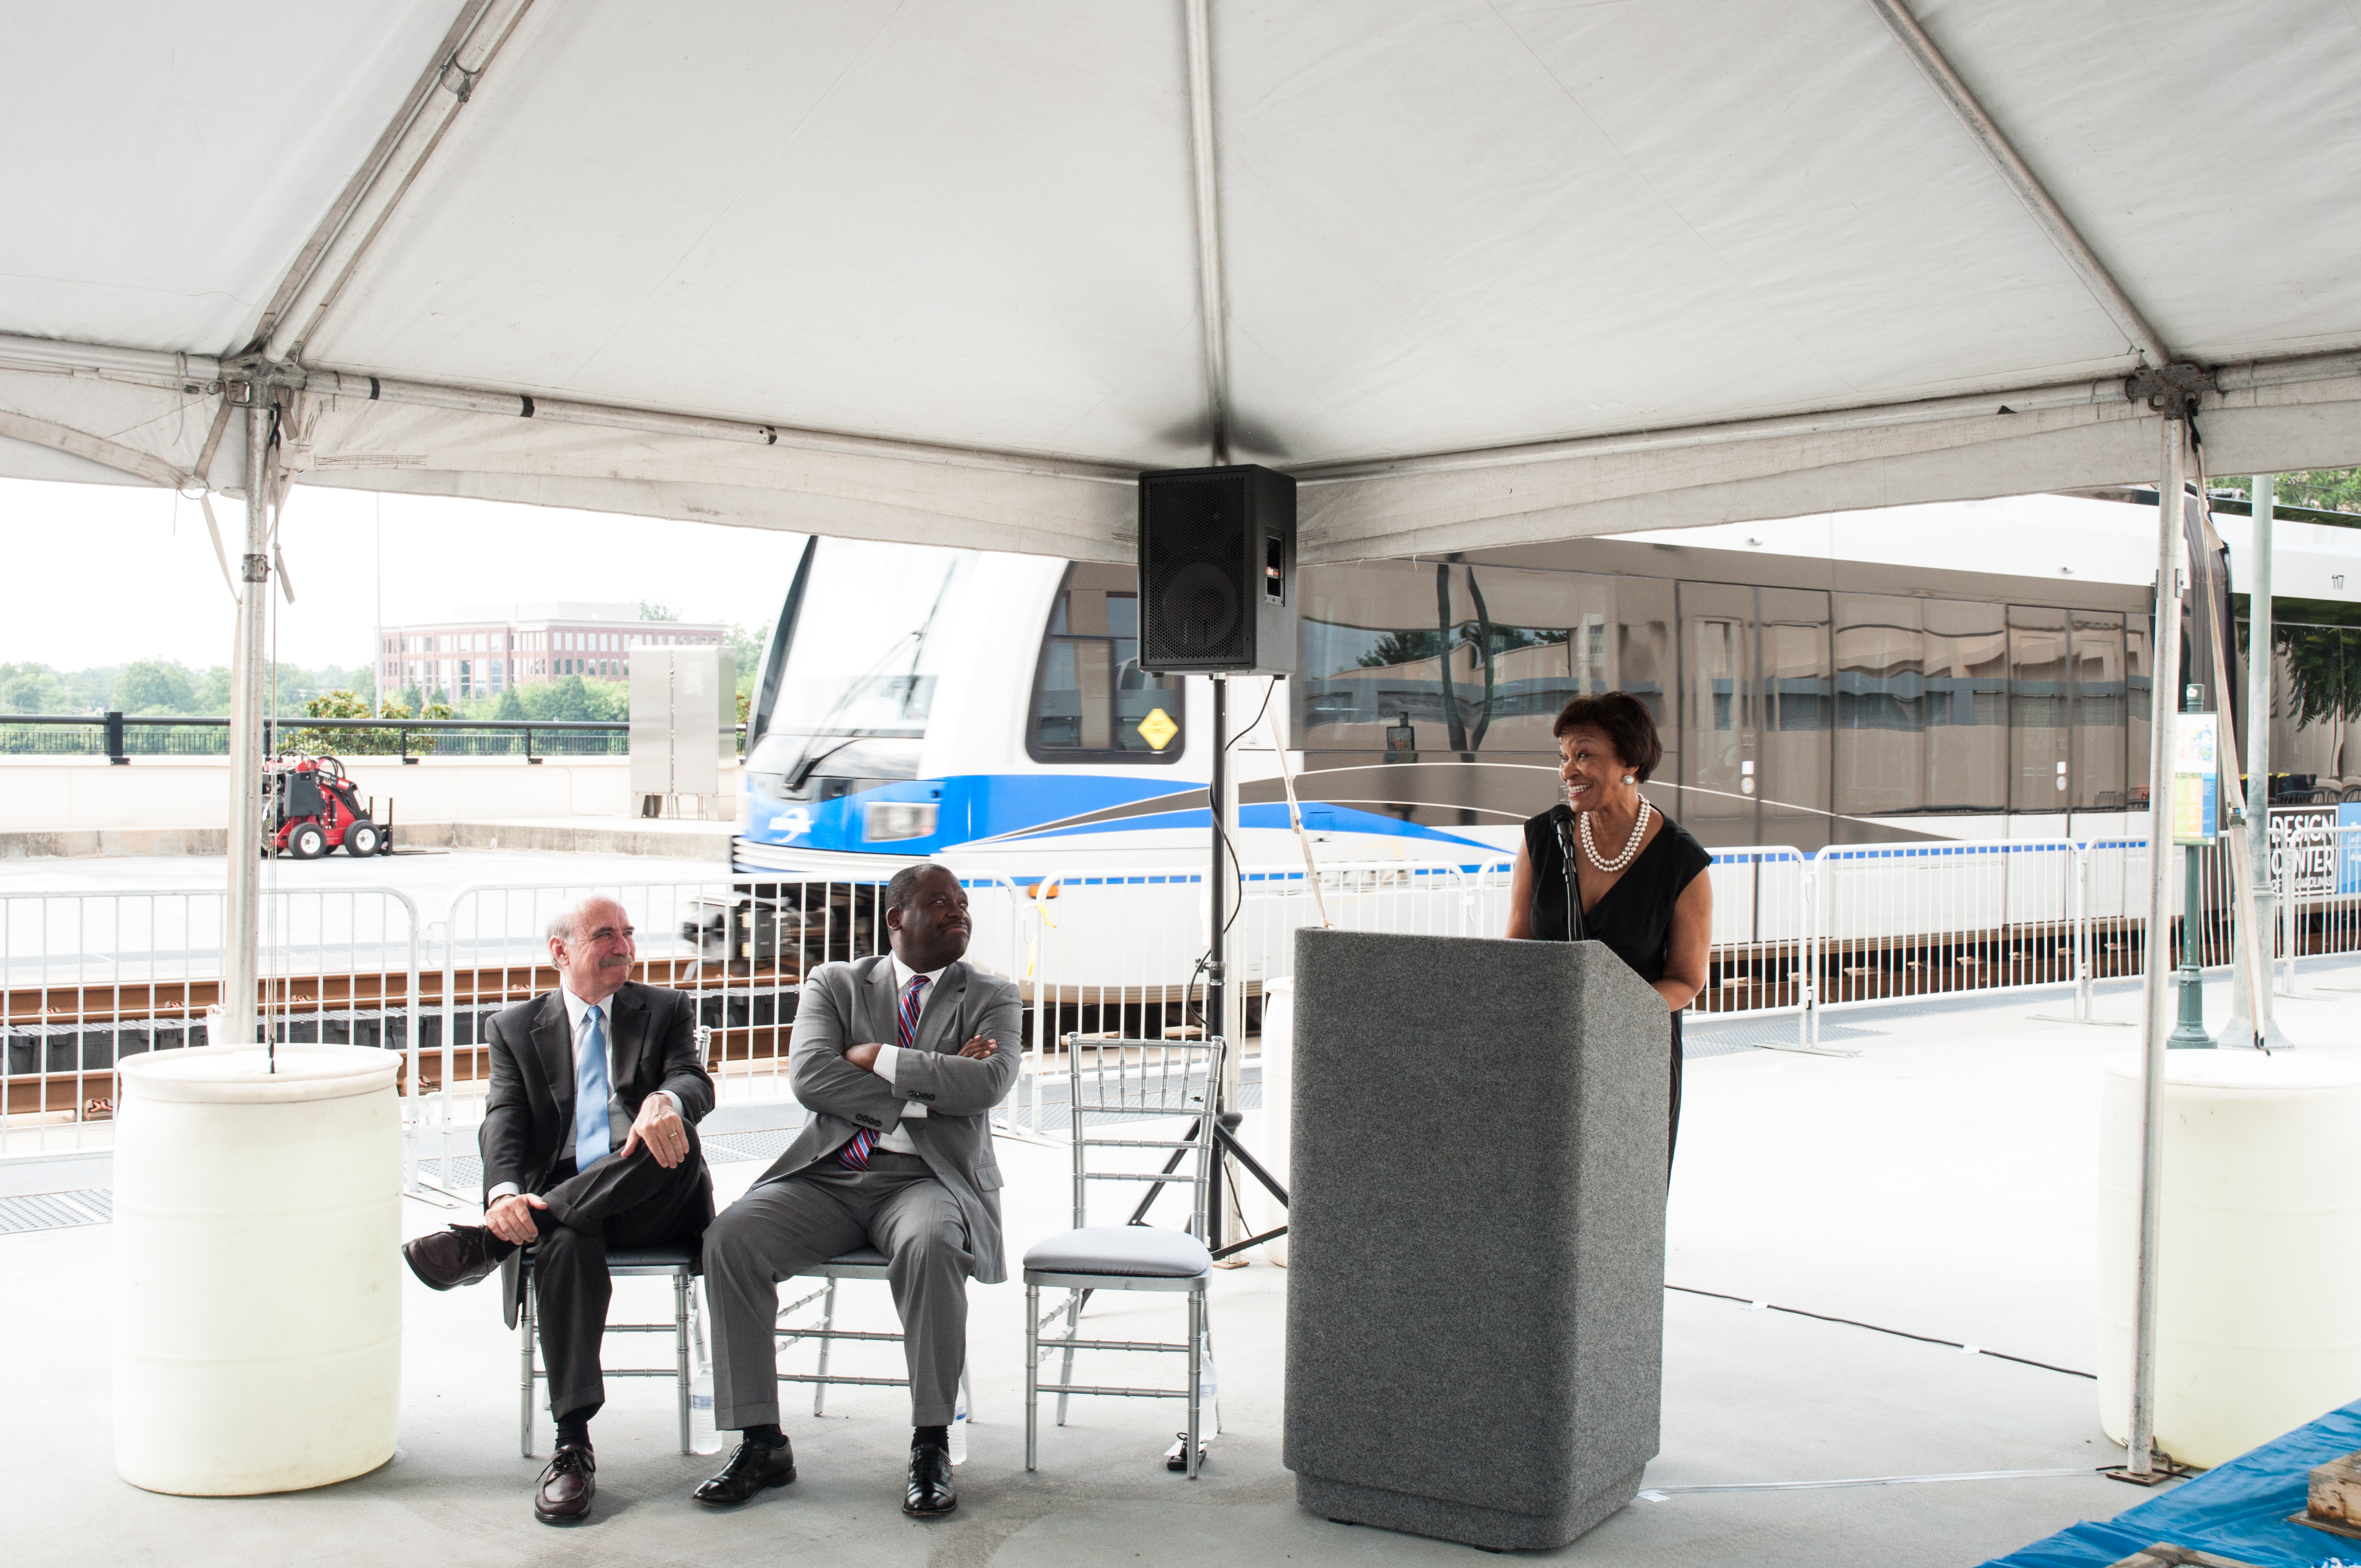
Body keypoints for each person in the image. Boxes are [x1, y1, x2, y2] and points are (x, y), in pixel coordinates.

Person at [695, 862, 1020, 1520]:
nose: (960, 910)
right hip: (833, 1175)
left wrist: (877, 1057)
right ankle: (761, 1440)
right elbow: (812, 1077)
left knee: (931, 1245)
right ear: (896, 918)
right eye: (940, 902)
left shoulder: (992, 992)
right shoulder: (835, 982)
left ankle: (931, 1443)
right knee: (730, 1239)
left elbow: (987, 1086)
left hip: (929, 1180)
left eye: (962, 902)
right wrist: (931, 1087)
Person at [399, 896, 713, 1525]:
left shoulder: (665, 1008)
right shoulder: (516, 1026)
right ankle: (572, 1447)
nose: (623, 946)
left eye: (628, 933)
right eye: (605, 935)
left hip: (657, 1191)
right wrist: (503, 1194)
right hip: (574, 1201)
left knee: (659, 1139)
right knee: (567, 1239)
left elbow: (694, 1079)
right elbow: (505, 1119)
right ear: (561, 951)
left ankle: (495, 1242)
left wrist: (665, 1099)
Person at [1506, 692, 1711, 1168]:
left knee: (1624, 1192)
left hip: (1636, 1049)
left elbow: (1686, 980)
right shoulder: (1543, 837)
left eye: (1584, 754)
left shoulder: (1681, 862)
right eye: (1564, 757)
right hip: (1550, 1044)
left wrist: (1609, 1015)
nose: (1568, 771)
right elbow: (1518, 946)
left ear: (1630, 762)